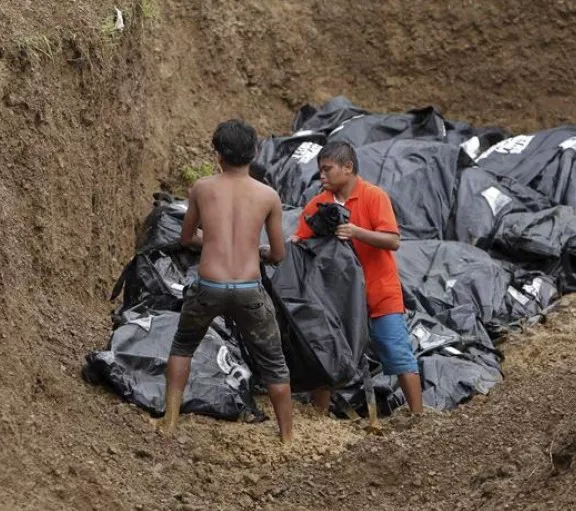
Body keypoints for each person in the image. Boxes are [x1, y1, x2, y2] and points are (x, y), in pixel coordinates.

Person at [157, 119, 293, 443]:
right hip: (248, 289)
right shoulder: (268, 196)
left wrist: (214, 239)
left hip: (209, 287)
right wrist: (256, 250)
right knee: (274, 364)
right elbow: (278, 253)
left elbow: (187, 237)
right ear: (255, 152)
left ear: (216, 153)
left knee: (183, 346)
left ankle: (170, 422)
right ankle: (287, 438)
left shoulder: (202, 188)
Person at [292, 141, 423, 415]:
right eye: (320, 171)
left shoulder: (374, 197)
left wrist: (355, 232)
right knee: (328, 356)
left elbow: (392, 241)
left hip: (379, 294)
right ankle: (319, 420)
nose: (322, 176)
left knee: (398, 355)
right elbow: (300, 240)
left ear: (348, 167)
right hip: (337, 300)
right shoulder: (318, 205)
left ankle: (418, 418)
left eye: (327, 169)